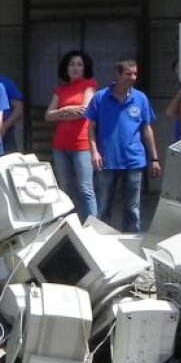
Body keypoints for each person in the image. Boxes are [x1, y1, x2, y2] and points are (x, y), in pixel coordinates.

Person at [85, 59, 161, 233]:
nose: (132, 77)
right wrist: (94, 152)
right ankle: (101, 240)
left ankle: (131, 241)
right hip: (107, 161)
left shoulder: (140, 98)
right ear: (117, 74)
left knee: (132, 208)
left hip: (133, 160)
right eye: (128, 74)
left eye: (135, 74)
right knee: (104, 206)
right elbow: (91, 128)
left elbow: (147, 129)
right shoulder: (100, 97)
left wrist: (154, 158)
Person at [45, 50, 98, 222]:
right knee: (65, 188)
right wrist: (66, 111)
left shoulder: (89, 85)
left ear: (85, 68)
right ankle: (69, 224)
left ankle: (91, 226)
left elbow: (84, 111)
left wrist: (61, 112)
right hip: (60, 145)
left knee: (85, 188)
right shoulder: (60, 89)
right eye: (72, 64)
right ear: (66, 68)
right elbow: (48, 116)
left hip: (82, 145)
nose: (75, 68)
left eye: (79, 65)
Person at [0, 59, 25, 154]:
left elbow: (19, 108)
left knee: (8, 161)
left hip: (5, 134)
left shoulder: (4, 82)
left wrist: (4, 127)